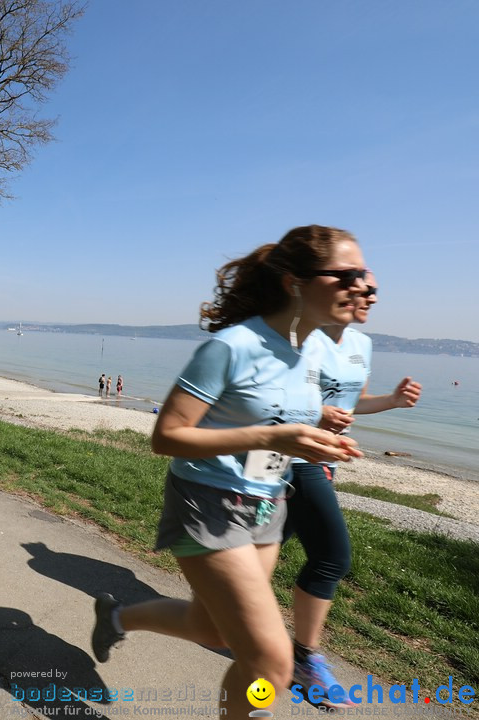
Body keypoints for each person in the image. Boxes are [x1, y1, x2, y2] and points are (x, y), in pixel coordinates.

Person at [89, 225, 365, 716]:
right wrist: (271, 437)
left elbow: (278, 414)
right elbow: (166, 435)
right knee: (271, 665)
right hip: (208, 501)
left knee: (213, 629)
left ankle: (116, 616)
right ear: (295, 283)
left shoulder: (314, 349)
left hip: (268, 501)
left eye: (364, 276)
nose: (361, 286)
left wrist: (319, 432)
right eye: (346, 275)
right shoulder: (234, 346)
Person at [284, 272, 421, 706]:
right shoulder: (301, 337)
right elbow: (276, 398)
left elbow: (352, 402)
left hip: (327, 459)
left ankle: (219, 607)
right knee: (332, 556)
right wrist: (314, 413)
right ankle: (302, 657)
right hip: (296, 456)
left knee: (264, 545)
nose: (372, 298)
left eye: (376, 291)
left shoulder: (362, 345)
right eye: (365, 287)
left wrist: (392, 402)